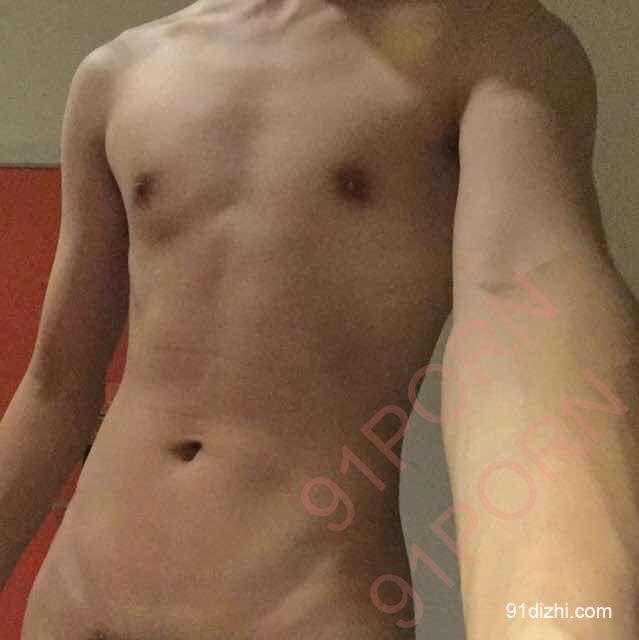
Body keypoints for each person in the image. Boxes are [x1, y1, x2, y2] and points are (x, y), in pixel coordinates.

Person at [1, 0, 637, 638]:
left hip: (302, 614)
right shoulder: (120, 71)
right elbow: (55, 387)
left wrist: (556, 621)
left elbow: (524, 305)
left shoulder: (494, 49)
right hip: (83, 603)